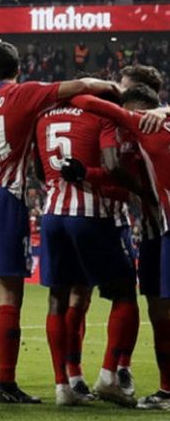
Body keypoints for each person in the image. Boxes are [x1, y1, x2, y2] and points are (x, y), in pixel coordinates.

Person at [0, 41, 120, 403]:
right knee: (9, 292)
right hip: (4, 197)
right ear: (17, 69)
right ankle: (6, 383)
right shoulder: (25, 93)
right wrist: (112, 88)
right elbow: (80, 86)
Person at [33, 96, 139, 407]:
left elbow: (39, 169)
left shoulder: (44, 117)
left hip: (52, 214)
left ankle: (64, 385)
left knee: (59, 299)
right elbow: (111, 164)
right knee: (123, 295)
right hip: (92, 215)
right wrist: (135, 189)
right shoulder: (101, 117)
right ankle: (110, 376)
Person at [68, 87, 170, 409]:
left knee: (163, 312)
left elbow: (82, 100)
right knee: (160, 312)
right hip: (156, 231)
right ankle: (165, 391)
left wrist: (116, 96)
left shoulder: (137, 121)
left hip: (166, 229)